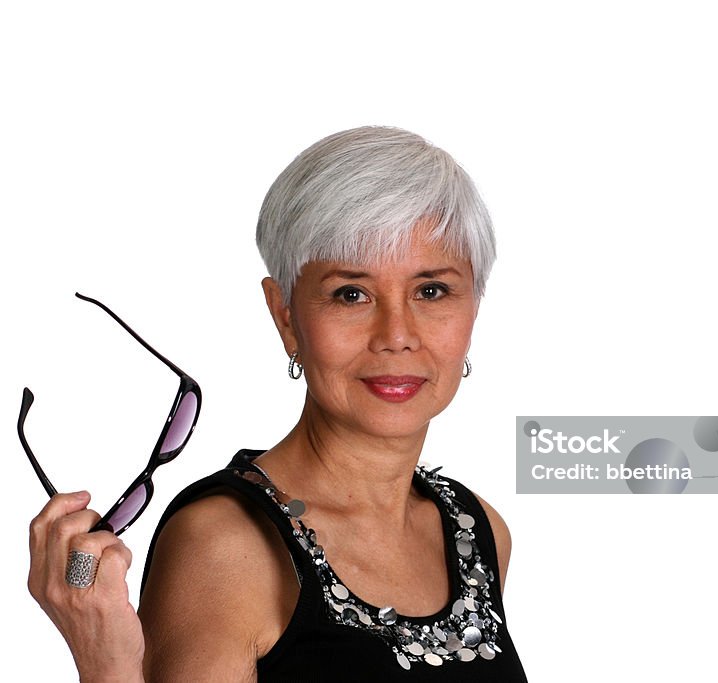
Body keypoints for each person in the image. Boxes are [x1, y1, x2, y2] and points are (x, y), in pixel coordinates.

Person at [27, 126, 528, 681]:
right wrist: (108, 665)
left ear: (474, 307)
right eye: (351, 293)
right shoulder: (225, 547)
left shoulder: (476, 531)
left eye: (431, 291)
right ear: (285, 314)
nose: (396, 335)